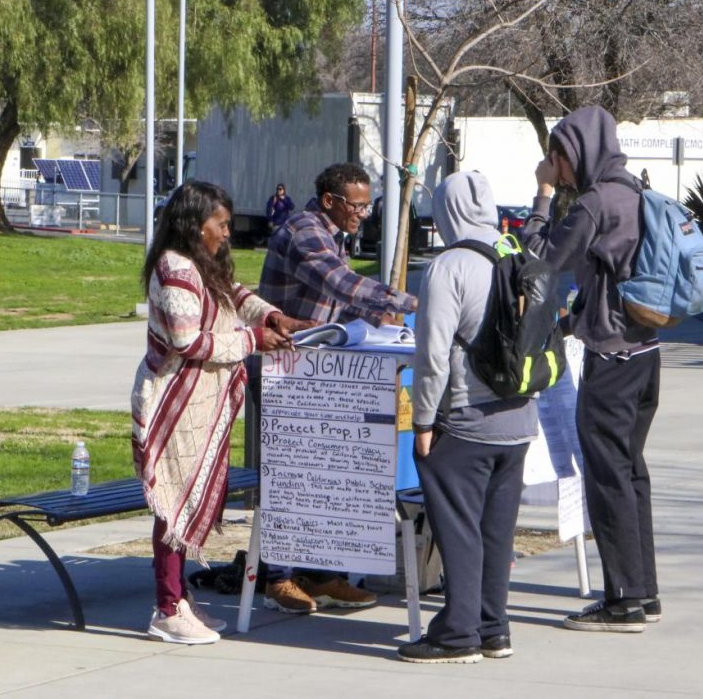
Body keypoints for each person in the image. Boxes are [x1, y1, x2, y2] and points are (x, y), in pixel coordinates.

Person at [131, 180, 307, 645]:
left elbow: (238, 295)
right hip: (174, 401)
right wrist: (254, 341)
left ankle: (180, 599)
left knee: (192, 499)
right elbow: (187, 340)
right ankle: (167, 607)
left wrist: (273, 318)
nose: (227, 233)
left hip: (205, 402)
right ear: (195, 225)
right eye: (220, 225)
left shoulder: (202, 264)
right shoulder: (173, 267)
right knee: (174, 504)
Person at [257, 161, 418, 614]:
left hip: (319, 377)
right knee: (288, 479)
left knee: (326, 480)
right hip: (284, 374)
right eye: (358, 206)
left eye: (368, 206)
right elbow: (338, 283)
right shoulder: (305, 229)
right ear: (330, 200)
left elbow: (334, 309)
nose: (363, 214)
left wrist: (376, 321)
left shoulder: (333, 234)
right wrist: (406, 301)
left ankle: (324, 576)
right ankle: (278, 578)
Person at [524, 105, 662, 633]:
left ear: (571, 153)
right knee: (631, 473)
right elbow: (610, 277)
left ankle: (621, 602)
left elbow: (539, 261)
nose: (552, 166)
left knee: (607, 479)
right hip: (646, 355)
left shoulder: (594, 202)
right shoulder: (635, 192)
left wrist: (540, 196)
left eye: (555, 157)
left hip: (611, 357)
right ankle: (643, 591)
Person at [396, 170, 538, 664]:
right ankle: (493, 627)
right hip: (519, 418)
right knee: (497, 532)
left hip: (466, 417)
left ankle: (457, 634)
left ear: (446, 211)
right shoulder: (514, 251)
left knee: (457, 527)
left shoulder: (449, 266)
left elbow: (432, 356)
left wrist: (423, 423)